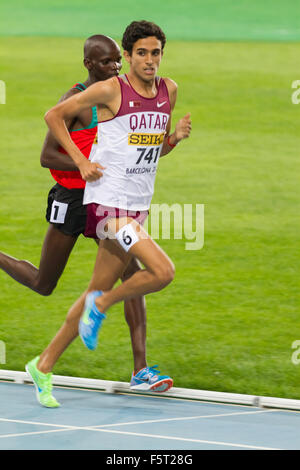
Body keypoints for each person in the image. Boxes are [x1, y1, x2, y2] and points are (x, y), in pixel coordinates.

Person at [28, 20, 191, 407]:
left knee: (94, 289)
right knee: (162, 272)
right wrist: (81, 161)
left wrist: (172, 140)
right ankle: (100, 308)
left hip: (138, 204)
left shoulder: (169, 90)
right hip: (108, 208)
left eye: (156, 52)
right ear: (129, 54)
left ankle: (43, 365)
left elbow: (147, 148)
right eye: (141, 53)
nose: (150, 60)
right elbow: (53, 115)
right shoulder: (109, 90)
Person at [0, 35, 148, 406]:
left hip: (105, 201)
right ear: (88, 64)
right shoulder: (75, 100)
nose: (115, 67)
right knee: (43, 283)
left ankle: (141, 370)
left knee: (132, 274)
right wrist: (85, 167)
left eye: (117, 60)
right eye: (106, 62)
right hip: (71, 200)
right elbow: (47, 155)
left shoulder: (114, 95)